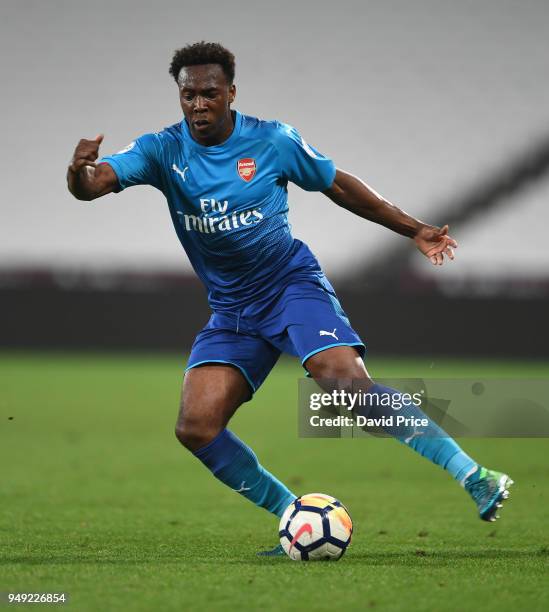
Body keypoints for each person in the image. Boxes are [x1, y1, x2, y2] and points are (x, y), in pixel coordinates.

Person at [67, 41, 512, 556]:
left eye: (209, 93)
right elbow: (94, 185)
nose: (198, 105)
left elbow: (339, 186)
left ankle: (474, 475)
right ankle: (295, 519)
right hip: (232, 310)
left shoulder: (273, 141)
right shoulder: (162, 150)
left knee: (344, 384)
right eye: (188, 95)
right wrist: (78, 172)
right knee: (195, 427)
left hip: (288, 285)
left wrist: (414, 229)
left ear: (231, 92)